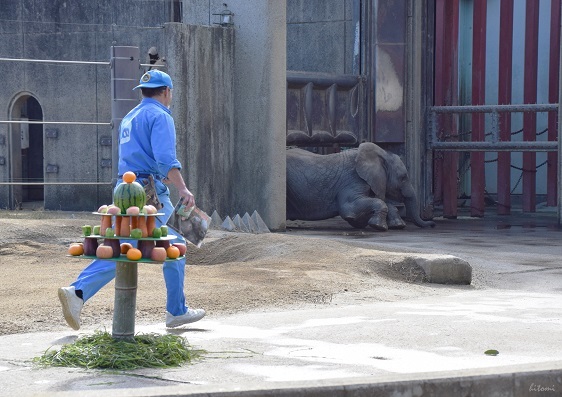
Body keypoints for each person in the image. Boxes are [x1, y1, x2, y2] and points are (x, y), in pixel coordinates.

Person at [58, 70, 205, 329]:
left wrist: (161, 174)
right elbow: (165, 158)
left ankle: (78, 292)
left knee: (123, 247)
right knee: (177, 242)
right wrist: (182, 188)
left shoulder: (130, 116)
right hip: (148, 192)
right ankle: (176, 311)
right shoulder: (161, 115)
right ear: (168, 92)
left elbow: (139, 155)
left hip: (125, 188)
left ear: (143, 91)